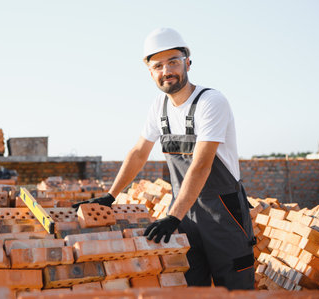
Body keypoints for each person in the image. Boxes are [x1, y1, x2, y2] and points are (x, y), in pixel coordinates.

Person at [73, 28, 255, 290]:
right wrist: (111, 196)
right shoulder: (159, 107)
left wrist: (173, 217)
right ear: (150, 72)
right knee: (193, 288)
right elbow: (138, 153)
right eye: (158, 65)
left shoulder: (211, 102)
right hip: (185, 216)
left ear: (188, 63)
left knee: (236, 288)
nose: (166, 70)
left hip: (223, 215)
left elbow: (201, 165)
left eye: (173, 62)